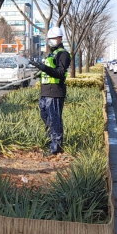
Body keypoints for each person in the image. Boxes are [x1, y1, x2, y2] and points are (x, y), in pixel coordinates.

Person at [28, 27, 71, 155]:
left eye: (52, 39)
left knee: (54, 119)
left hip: (55, 92)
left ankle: (56, 148)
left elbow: (59, 72)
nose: (50, 41)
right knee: (45, 117)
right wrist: (39, 72)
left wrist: (44, 67)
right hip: (45, 92)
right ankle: (50, 142)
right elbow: (49, 71)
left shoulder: (63, 54)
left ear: (59, 39)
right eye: (49, 39)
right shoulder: (51, 54)